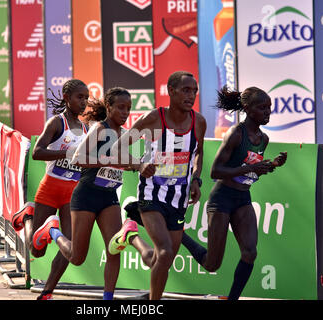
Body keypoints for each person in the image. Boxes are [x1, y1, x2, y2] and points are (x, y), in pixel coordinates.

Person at [179, 86, 287, 300]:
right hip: (222, 199)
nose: (268, 112)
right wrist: (251, 168)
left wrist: (271, 165)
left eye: (269, 108)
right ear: (247, 108)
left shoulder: (263, 139)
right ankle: (178, 233)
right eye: (262, 108)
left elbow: (250, 171)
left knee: (250, 253)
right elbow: (215, 171)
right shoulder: (236, 134)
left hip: (243, 198)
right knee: (212, 263)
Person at [109, 71, 207, 300]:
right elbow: (117, 148)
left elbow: (199, 153)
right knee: (164, 252)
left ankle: (130, 236)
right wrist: (139, 165)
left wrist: (195, 178)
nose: (191, 95)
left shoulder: (199, 121)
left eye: (194, 91)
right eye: (185, 90)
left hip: (179, 198)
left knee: (163, 259)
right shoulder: (153, 119)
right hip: (151, 194)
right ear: (170, 91)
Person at [32, 87, 136, 300]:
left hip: (109, 195)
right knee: (77, 257)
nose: (125, 113)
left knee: (114, 248)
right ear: (109, 107)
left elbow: (122, 164)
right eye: (121, 108)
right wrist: (113, 161)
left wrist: (137, 165)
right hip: (86, 194)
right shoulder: (99, 128)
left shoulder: (125, 135)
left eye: (128, 108)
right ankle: (52, 231)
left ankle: (108, 299)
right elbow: (78, 158)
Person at [11, 79, 89, 300]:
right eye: (79, 97)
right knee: (37, 250)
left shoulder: (86, 129)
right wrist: (67, 154)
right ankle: (28, 215)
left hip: (72, 193)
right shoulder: (57, 122)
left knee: (70, 248)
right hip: (50, 187)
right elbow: (37, 152)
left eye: (86, 98)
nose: (83, 102)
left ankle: (47, 292)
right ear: (67, 97)